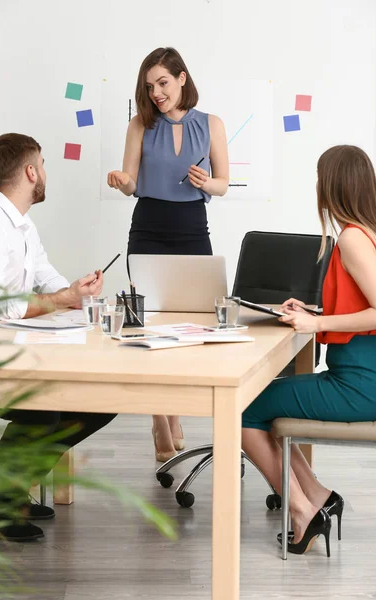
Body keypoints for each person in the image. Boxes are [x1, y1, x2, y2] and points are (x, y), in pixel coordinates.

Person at [241, 144, 376, 556]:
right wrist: (314, 310)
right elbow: (360, 303)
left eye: (320, 178)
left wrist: (317, 323)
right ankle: (317, 496)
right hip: (362, 377)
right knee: (266, 407)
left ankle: (301, 509)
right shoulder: (368, 232)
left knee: (244, 408)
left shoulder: (353, 237)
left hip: (362, 384)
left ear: (333, 185)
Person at [0, 133, 117, 541]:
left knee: (102, 400)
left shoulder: (21, 223)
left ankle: (8, 493)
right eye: (42, 163)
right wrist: (59, 299)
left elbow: (44, 273)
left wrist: (77, 294)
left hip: (15, 345)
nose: (44, 171)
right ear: (30, 171)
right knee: (44, 407)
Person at [107, 47, 229, 462]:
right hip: (149, 227)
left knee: (189, 325)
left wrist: (206, 181)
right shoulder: (140, 125)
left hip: (193, 229)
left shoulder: (211, 124)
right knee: (147, 328)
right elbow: (130, 183)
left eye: (162, 83)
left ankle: (174, 409)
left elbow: (224, 185)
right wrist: (122, 179)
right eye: (149, 86)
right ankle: (160, 419)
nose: (156, 92)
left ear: (181, 78)